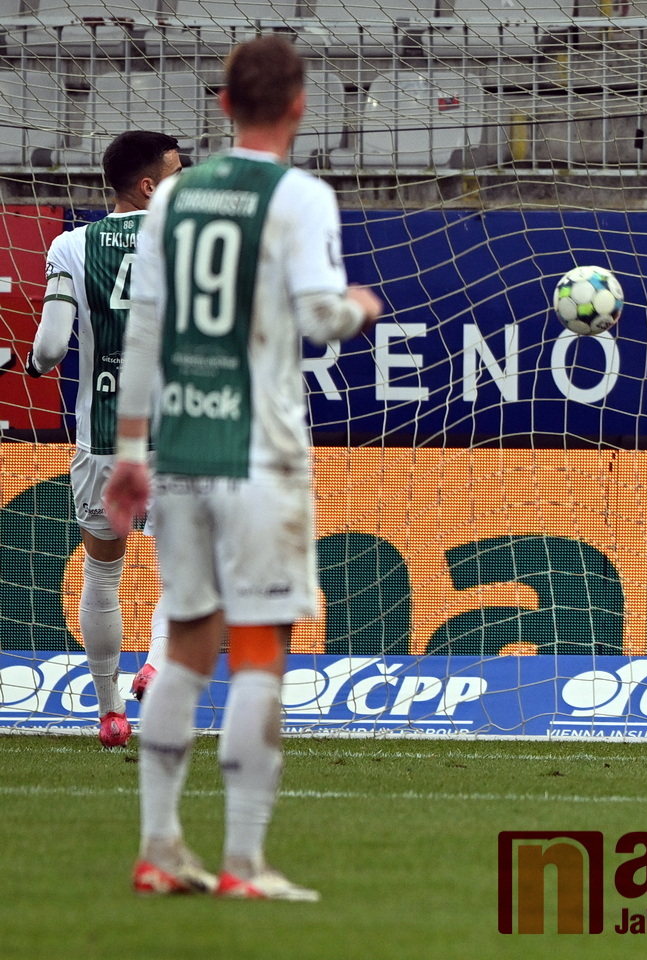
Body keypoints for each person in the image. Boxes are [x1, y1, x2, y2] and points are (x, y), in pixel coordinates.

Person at [104, 35, 382, 899]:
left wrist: (130, 451)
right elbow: (320, 318)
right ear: (300, 105)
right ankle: (245, 863)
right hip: (260, 453)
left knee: (187, 642)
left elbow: (145, 329)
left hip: (180, 449)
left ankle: (158, 849)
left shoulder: (174, 198)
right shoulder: (300, 196)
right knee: (259, 647)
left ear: (222, 104)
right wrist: (357, 307)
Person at [26, 131, 183, 748]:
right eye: (177, 174)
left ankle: (111, 712)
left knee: (102, 573)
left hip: (102, 439)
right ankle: (158, 664)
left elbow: (50, 348)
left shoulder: (71, 245)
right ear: (148, 187)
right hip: (176, 434)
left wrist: (33, 367)